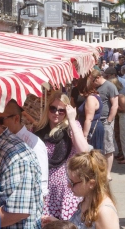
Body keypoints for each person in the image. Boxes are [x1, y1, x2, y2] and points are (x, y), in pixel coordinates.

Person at [35, 91, 91, 220]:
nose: (56, 113)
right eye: (53, 108)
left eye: (61, 111)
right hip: (44, 188)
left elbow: (84, 151)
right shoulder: (39, 130)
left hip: (65, 190)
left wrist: (72, 119)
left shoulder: (71, 127)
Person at [43, 150, 120, 229]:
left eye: (73, 183)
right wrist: (57, 223)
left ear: (91, 184)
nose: (69, 185)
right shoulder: (88, 199)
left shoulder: (104, 212)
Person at [0, 100, 49, 198]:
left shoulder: (34, 144)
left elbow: (42, 186)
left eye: (0, 121)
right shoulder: (0, 142)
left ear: (16, 119)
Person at [93, 69, 119, 181]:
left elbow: (115, 104)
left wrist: (109, 120)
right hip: (96, 121)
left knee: (108, 147)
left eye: (93, 81)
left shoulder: (110, 86)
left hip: (105, 121)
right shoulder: (94, 87)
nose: (92, 84)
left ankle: (108, 173)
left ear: (98, 78)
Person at [108, 78, 125, 165]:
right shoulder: (122, 91)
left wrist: (114, 106)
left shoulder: (121, 94)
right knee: (123, 136)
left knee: (124, 137)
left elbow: (123, 109)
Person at [77, 72, 104, 150]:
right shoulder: (95, 96)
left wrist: (84, 136)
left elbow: (89, 119)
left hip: (91, 129)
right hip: (93, 128)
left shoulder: (91, 98)